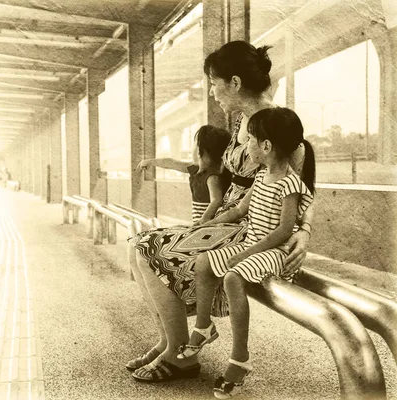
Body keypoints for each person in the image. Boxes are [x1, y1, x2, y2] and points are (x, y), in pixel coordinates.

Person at [127, 40, 315, 382]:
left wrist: (304, 232)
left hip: (248, 227)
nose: (213, 92)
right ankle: (171, 340)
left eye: (215, 84)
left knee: (147, 249)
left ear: (235, 83)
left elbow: (304, 191)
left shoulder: (275, 126)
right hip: (226, 220)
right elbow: (218, 174)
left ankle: (179, 354)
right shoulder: (243, 124)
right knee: (138, 244)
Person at [179, 108, 315, 398]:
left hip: (273, 251)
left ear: (266, 146)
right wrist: (208, 224)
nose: (246, 145)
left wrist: (245, 253)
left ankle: (240, 358)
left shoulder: (289, 184)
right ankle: (203, 327)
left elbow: (283, 230)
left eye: (250, 139)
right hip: (252, 244)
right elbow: (240, 210)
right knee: (204, 261)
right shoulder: (262, 174)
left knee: (231, 277)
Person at [136, 125, 232, 224]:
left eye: (195, 145)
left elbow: (216, 200)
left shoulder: (212, 177)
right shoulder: (195, 169)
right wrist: (151, 162)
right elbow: (171, 163)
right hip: (200, 222)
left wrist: (204, 219)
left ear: (199, 152)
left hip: (209, 223)